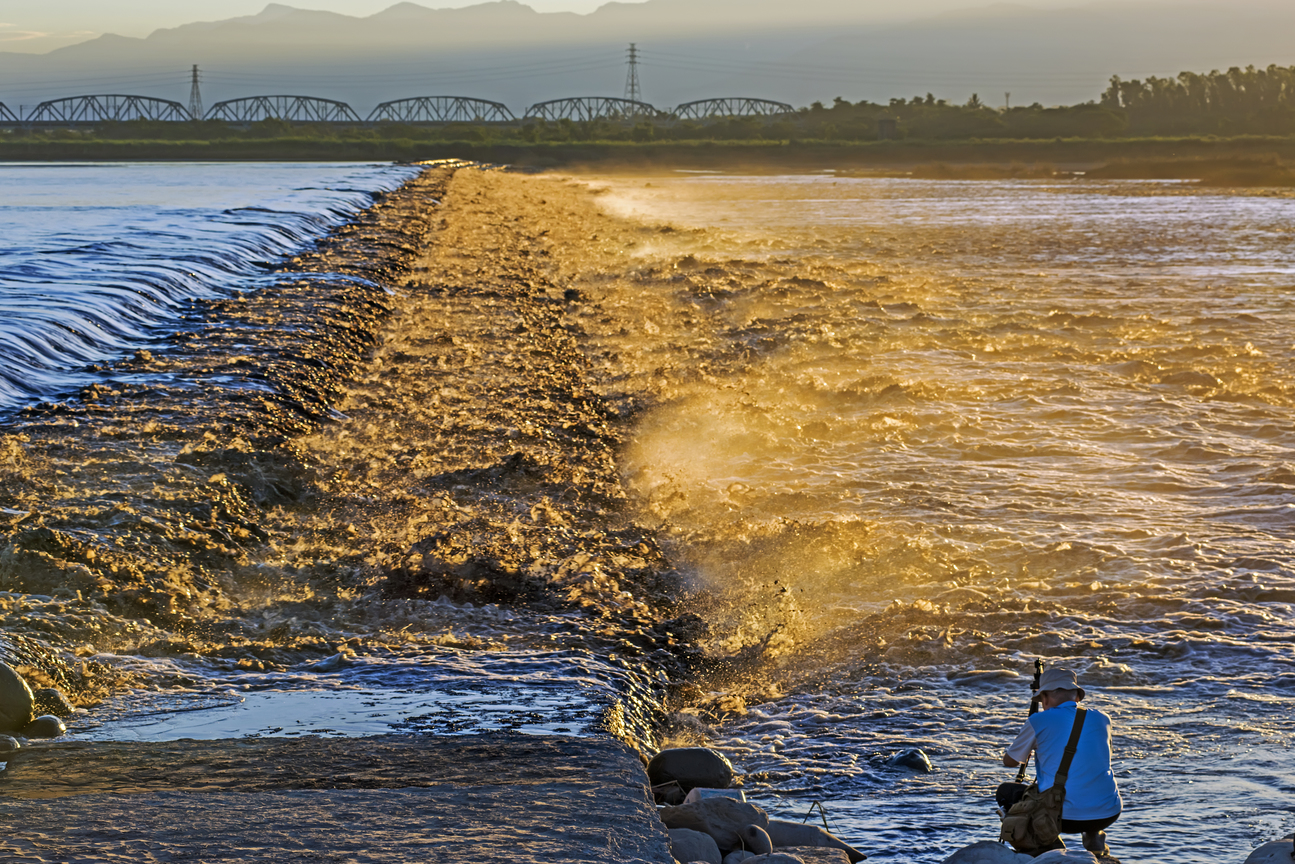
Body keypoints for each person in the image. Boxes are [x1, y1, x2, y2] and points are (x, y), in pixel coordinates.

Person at [1000, 667, 1122, 855]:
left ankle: (1050, 848)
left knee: (1006, 792)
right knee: (1085, 780)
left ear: (1045, 697)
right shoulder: (1102, 719)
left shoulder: (1038, 720)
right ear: (1077, 697)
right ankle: (1094, 840)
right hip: (1107, 812)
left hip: (1061, 818)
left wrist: (1029, 750)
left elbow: (1010, 762)